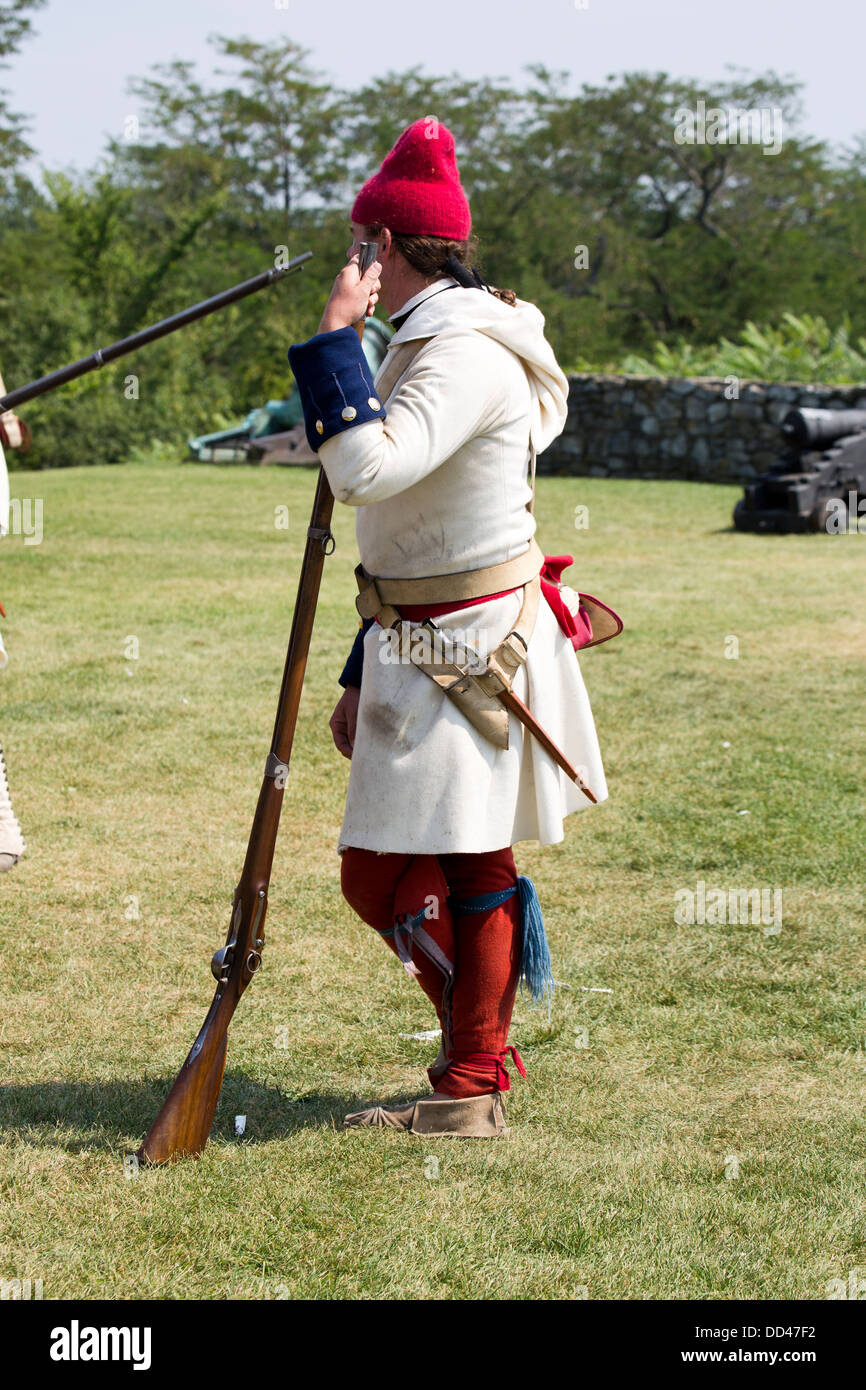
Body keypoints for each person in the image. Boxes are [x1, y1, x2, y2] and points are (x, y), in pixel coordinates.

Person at [288, 118, 608, 1137]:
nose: (353, 259)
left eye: (359, 245)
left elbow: (366, 471)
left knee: (418, 865)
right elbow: (395, 529)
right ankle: (473, 1063)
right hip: (419, 632)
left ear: (381, 248)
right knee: (435, 862)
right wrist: (354, 672)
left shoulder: (462, 351)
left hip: (467, 644)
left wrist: (337, 337)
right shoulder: (440, 339)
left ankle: (474, 1074)